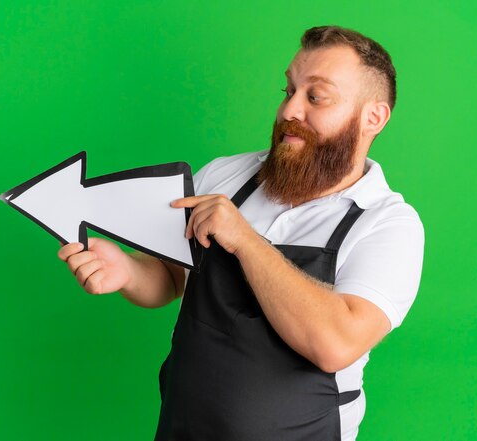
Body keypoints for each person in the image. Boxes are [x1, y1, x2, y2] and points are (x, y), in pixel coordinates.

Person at [58, 25, 424, 441]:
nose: (290, 110)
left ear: (372, 117)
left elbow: (335, 344)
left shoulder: (388, 224)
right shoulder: (224, 175)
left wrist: (245, 240)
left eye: (316, 96)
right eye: (288, 90)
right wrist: (124, 270)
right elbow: (170, 278)